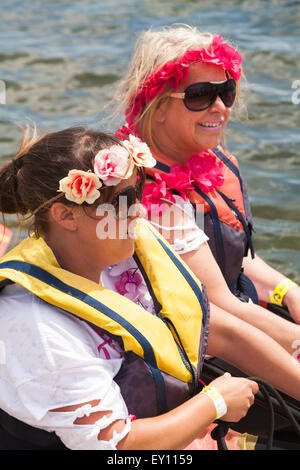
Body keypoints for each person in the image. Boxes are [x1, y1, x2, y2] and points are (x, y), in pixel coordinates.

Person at [1, 126, 300, 450]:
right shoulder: (35, 325)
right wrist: (214, 403)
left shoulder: (124, 259)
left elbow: (223, 333)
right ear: (65, 216)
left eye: (139, 190)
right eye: (123, 200)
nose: (141, 211)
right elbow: (116, 445)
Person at [112, 25, 300, 356]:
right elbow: (218, 303)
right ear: (156, 106)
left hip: (232, 312)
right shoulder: (146, 194)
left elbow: (230, 256)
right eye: (199, 95)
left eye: (226, 92)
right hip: (190, 348)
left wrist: (288, 292)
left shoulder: (210, 162)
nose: (220, 107)